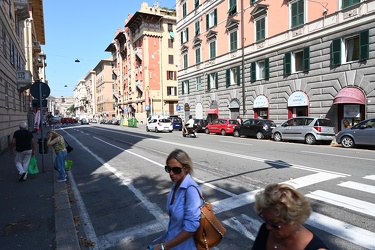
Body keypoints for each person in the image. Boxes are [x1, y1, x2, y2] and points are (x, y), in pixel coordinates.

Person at [148, 149, 202, 250]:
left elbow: (191, 228)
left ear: (185, 168)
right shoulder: (175, 186)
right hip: (173, 244)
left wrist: (163, 247)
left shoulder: (191, 190)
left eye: (176, 170)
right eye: (168, 169)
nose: (171, 173)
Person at [252, 183, 328, 250]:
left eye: (274, 223)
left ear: (294, 219)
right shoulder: (265, 231)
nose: (268, 226)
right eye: (265, 219)